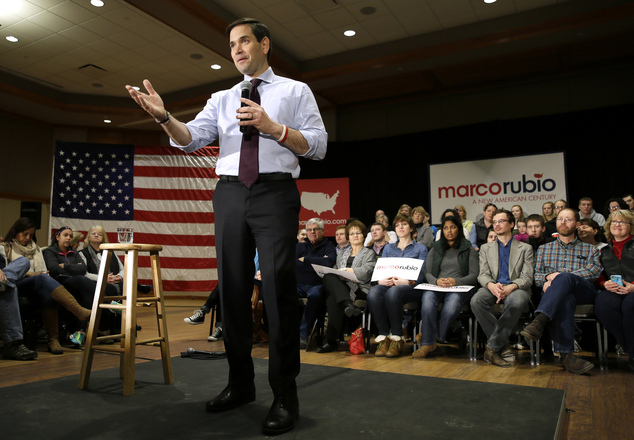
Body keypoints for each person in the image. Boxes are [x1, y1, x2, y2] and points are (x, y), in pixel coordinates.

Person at [128, 17, 327, 434]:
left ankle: (284, 395)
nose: (237, 49)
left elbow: (319, 145)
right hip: (231, 193)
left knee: (276, 291)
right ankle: (240, 385)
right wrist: (164, 117)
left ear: (265, 44)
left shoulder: (294, 90)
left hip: (275, 193)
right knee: (233, 291)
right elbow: (191, 138)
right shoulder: (221, 97)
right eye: (232, 44)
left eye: (245, 41)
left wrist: (274, 128)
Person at [521, 208, 602, 374]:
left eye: (568, 219)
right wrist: (546, 279)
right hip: (559, 296)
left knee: (565, 279)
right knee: (565, 299)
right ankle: (567, 357)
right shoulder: (544, 250)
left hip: (584, 292)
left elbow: (593, 272)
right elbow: (536, 277)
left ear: (577, 224)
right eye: (560, 219)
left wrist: (558, 277)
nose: (563, 222)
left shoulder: (590, 249)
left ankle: (540, 320)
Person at [3, 219, 92, 354]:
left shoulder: (36, 249)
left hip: (37, 283)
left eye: (31, 235)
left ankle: (53, 340)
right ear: (16, 232)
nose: (28, 238)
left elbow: (45, 270)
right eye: (25, 234)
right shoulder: (5, 247)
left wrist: (39, 275)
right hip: (14, 284)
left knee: (47, 293)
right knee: (30, 268)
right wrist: (33, 274)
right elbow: (4, 272)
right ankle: (78, 310)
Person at [470, 209, 534, 367]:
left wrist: (511, 287)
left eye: (501, 221)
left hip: (516, 288)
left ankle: (491, 348)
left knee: (517, 301)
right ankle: (502, 343)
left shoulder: (525, 248)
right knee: (476, 300)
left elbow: (527, 278)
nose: (497, 225)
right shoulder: (486, 248)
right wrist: (492, 286)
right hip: (494, 287)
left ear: (512, 224)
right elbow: (482, 275)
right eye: (495, 222)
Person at [414, 216, 478, 358]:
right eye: (445, 228)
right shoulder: (435, 249)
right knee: (428, 298)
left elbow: (474, 275)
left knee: (452, 305)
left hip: (460, 287)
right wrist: (436, 281)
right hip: (438, 286)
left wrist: (455, 281)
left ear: (459, 229)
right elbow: (427, 272)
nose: (449, 231)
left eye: (453, 227)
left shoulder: (469, 249)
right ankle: (427, 344)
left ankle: (430, 335)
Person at [367, 215, 428, 358]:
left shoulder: (421, 248)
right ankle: (383, 336)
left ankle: (397, 337)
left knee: (393, 293)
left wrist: (407, 281)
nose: (400, 227)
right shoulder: (389, 248)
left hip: (412, 287)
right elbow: (382, 270)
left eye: (404, 224)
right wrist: (381, 280)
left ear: (411, 228)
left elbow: (421, 274)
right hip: (390, 284)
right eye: (397, 225)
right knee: (374, 292)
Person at [317, 220, 377, 353]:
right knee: (328, 277)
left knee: (332, 298)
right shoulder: (342, 254)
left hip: (359, 288)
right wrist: (338, 273)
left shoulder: (369, 253)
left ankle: (331, 342)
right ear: (348, 237)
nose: (355, 236)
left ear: (363, 236)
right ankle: (348, 305)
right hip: (343, 289)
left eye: (358, 233)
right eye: (352, 234)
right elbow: (334, 271)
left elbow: (366, 273)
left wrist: (348, 272)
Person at [594, 210, 634, 371]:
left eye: (622, 222)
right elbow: (597, 276)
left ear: (631, 228)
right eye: (614, 222)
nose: (617, 225)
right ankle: (631, 349)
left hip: (633, 289)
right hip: (613, 290)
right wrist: (604, 284)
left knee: (630, 307)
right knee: (604, 306)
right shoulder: (603, 251)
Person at [296, 218, 336, 349]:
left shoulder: (329, 247)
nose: (312, 232)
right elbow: (292, 263)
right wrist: (318, 261)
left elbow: (329, 262)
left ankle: (303, 335)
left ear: (322, 231)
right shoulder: (299, 247)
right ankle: (286, 333)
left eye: (315, 229)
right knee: (281, 292)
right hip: (299, 285)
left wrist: (305, 259)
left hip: (317, 285)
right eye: (309, 230)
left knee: (316, 294)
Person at [0, 246, 37, 360]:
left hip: (4, 276)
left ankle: (3, 284)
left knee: (23, 261)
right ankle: (13, 344)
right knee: (11, 288)